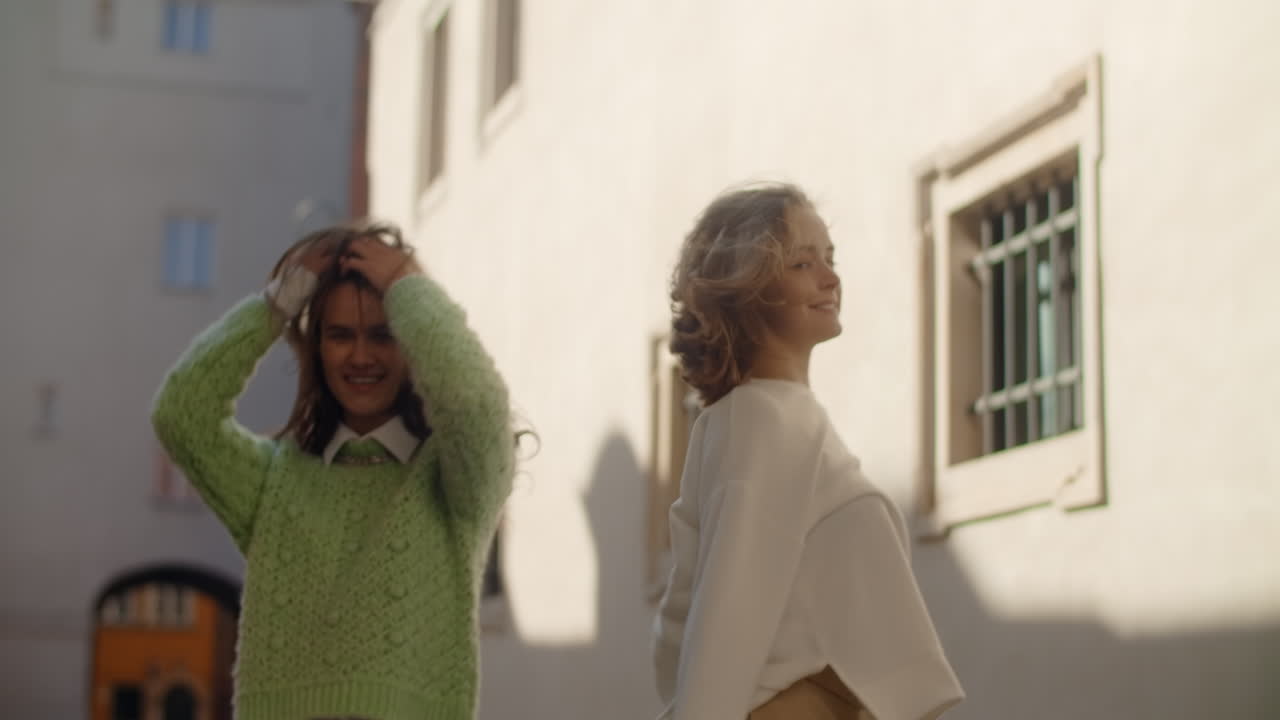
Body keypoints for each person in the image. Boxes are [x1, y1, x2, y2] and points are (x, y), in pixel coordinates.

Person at [152, 223, 514, 720]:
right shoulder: (272, 482)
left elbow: (476, 403)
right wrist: (279, 304)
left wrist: (409, 286)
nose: (361, 356)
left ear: (410, 340)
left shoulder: (453, 482)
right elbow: (180, 412)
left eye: (382, 335)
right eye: (340, 335)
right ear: (316, 347)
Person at [652, 183, 965, 720]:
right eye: (801, 263)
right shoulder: (759, 421)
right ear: (747, 286)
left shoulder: (780, 419)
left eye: (830, 257)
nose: (831, 277)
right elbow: (725, 620)